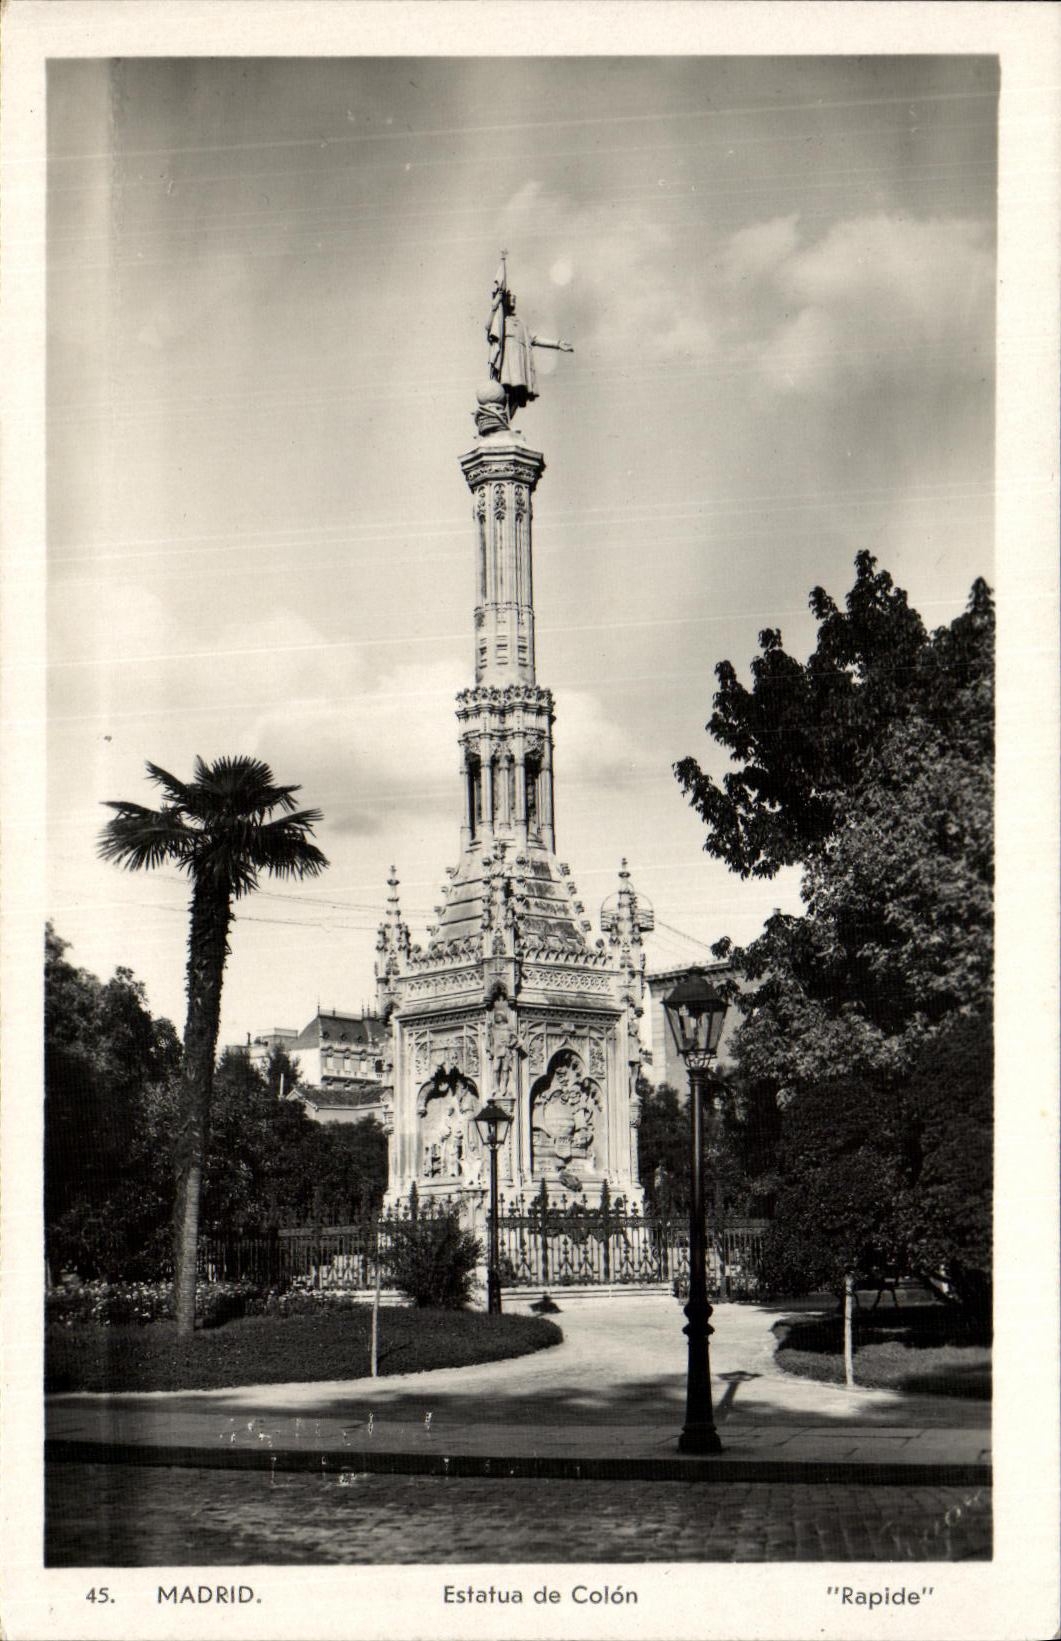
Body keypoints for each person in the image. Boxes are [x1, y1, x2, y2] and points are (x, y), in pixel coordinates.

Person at [486, 255, 573, 421]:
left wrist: (557, 344)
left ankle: (506, 421)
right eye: (511, 298)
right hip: (507, 364)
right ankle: (501, 420)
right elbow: (489, 326)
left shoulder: (522, 324)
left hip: (519, 365)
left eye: (515, 299)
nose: (513, 301)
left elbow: (536, 339)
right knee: (505, 391)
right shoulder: (501, 321)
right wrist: (494, 306)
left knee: (518, 393)